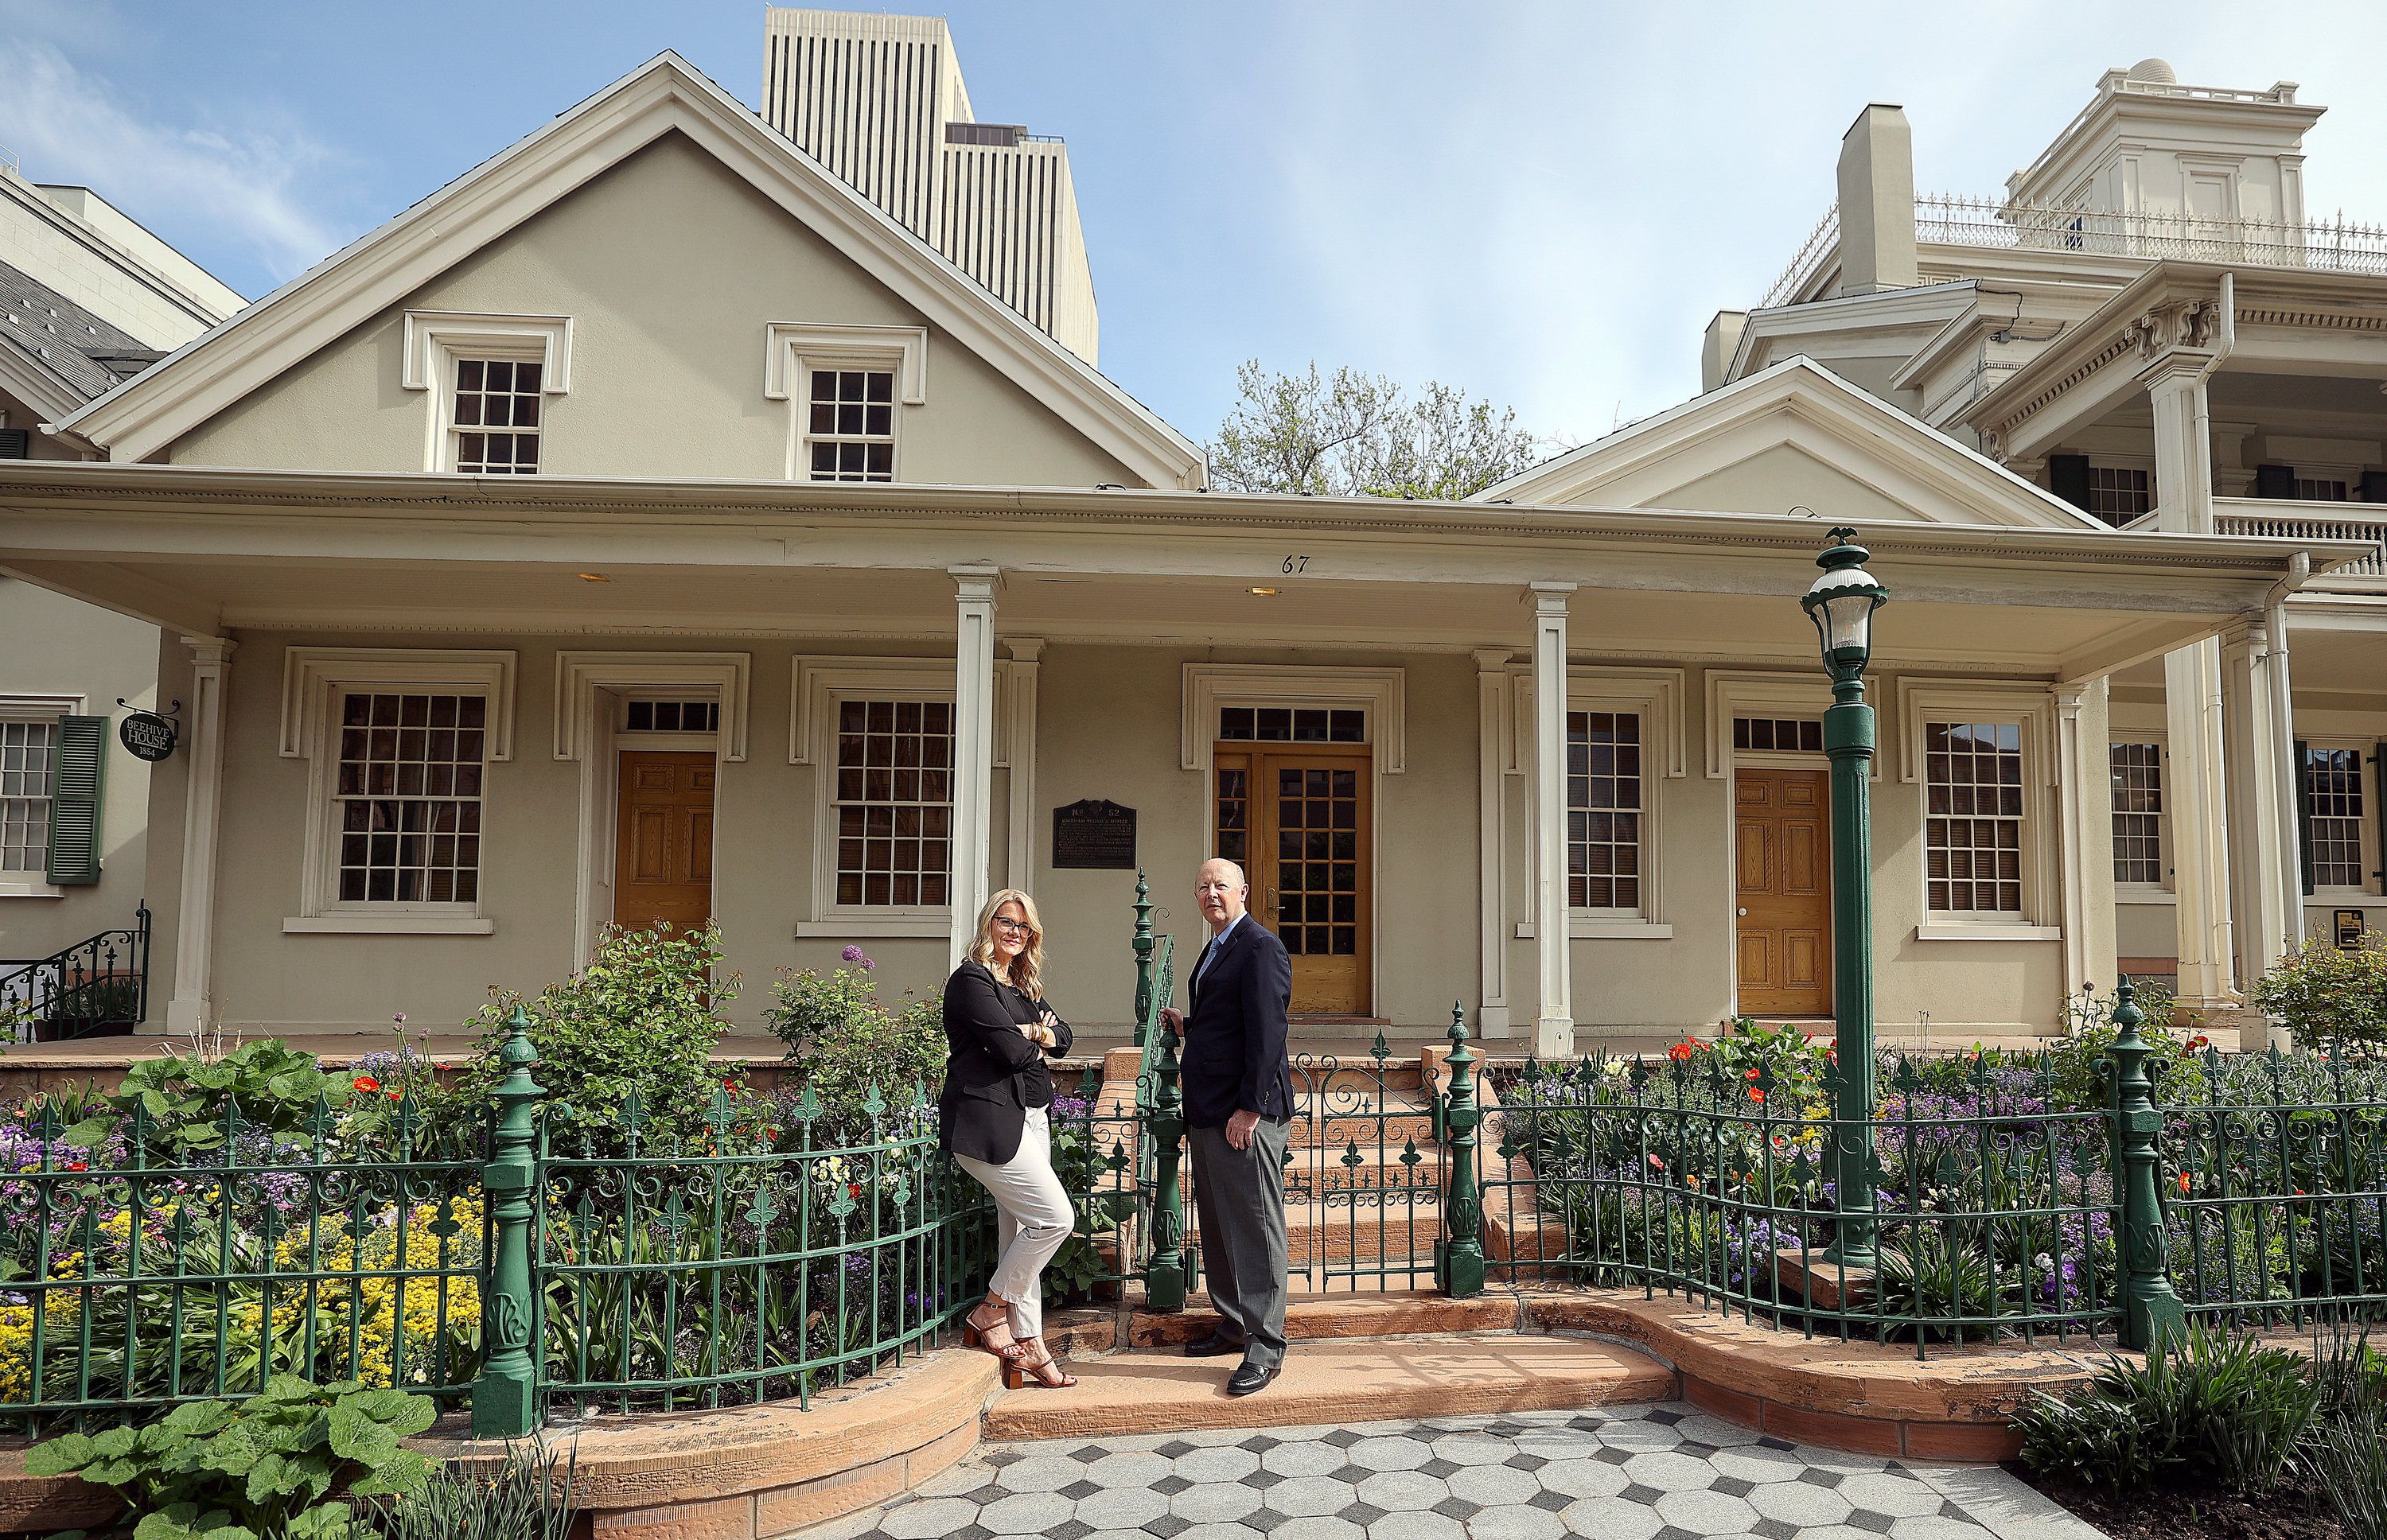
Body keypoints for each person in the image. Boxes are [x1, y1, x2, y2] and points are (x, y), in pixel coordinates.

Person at [1161, 857, 1295, 1396]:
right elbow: (1230, 1018)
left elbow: (1267, 1033)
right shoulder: (1218, 945)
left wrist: (1250, 1109)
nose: (1211, 893)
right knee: (1218, 1223)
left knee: (1256, 1227)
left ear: (1244, 890)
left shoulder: (1260, 947)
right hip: (1209, 1108)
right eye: (1202, 886)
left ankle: (1265, 1347)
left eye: (1221, 885)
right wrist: (1189, 1024)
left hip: (1244, 1114)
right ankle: (1234, 1323)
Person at [939, 889, 1078, 1390]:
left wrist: (1036, 1033)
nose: (1014, 932)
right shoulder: (970, 981)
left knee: (1021, 1235)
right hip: (990, 1121)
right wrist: (1030, 1038)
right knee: (1054, 1219)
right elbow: (1009, 1050)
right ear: (987, 924)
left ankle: (1030, 1342)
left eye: (1023, 926)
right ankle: (992, 1310)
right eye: (1005, 921)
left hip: (1031, 1116)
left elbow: (1064, 1038)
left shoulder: (1023, 985)